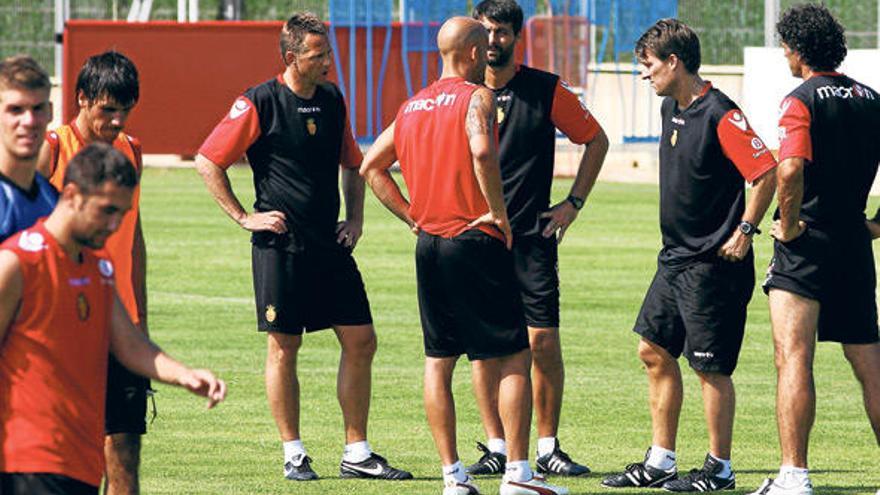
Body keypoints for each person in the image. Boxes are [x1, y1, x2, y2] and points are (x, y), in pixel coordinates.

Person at [195, 12, 410, 481]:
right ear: (292, 58)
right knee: (283, 347)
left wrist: (354, 219)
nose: (328, 62)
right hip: (281, 248)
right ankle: (293, 453)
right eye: (319, 55)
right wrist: (243, 217)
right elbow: (208, 160)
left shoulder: (333, 99)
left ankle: (357, 453)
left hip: (329, 246)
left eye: (328, 52)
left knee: (361, 340)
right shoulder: (258, 102)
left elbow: (354, 164)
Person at [361, 16, 568, 495]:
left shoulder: (411, 105)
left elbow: (372, 166)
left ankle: (453, 477)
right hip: (474, 242)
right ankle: (518, 474)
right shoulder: (477, 97)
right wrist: (498, 214)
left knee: (439, 360)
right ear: (474, 53)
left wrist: (411, 215)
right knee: (514, 356)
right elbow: (481, 150)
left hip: (429, 244)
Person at [601, 18, 777, 492]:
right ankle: (661, 461)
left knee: (709, 366)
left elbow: (766, 173)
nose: (645, 75)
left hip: (711, 265)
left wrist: (745, 230)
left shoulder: (721, 113)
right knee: (653, 350)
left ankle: (719, 468)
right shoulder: (670, 108)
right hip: (673, 259)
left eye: (649, 65)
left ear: (674, 62)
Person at [0, 142, 227, 495]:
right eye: (106, 210)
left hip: (81, 461)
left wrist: (184, 375)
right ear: (72, 195)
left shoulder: (99, 267)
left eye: (121, 213)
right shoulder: (17, 262)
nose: (115, 224)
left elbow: (129, 343)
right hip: (25, 460)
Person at [466, 0, 609, 477]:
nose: (492, 40)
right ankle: (495, 445)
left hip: (531, 237)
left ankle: (546, 444)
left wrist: (574, 203)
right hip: (478, 239)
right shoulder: (461, 92)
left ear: (516, 36)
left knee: (542, 341)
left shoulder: (545, 89)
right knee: (486, 347)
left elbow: (596, 140)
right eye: (485, 31)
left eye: (502, 31)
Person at [750, 5, 880, 495]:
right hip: (853, 242)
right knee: (869, 361)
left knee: (794, 357)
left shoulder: (799, 99)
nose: (783, 52)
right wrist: (877, 224)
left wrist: (787, 224)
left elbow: (788, 169)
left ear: (799, 49)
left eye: (786, 45)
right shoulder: (872, 99)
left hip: (808, 243)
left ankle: (794, 477)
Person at [36, 50, 150, 495]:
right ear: (81, 99)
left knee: (124, 447)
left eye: (125, 110)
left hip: (119, 324)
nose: (117, 120)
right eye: (107, 109)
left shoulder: (131, 152)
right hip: (60, 326)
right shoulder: (51, 151)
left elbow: (135, 238)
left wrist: (141, 318)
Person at [0, 55, 57, 242]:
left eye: (38, 108)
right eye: (15, 109)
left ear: (50, 112)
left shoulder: (53, 200)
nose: (29, 121)